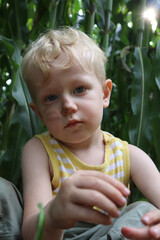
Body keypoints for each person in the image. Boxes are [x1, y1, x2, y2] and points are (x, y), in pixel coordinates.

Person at [21, 27, 160, 240]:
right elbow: (33, 233)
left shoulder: (129, 156)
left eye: (79, 89)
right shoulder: (39, 151)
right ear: (39, 113)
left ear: (105, 94)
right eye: (51, 98)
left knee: (145, 211)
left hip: (114, 234)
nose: (68, 105)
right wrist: (53, 215)